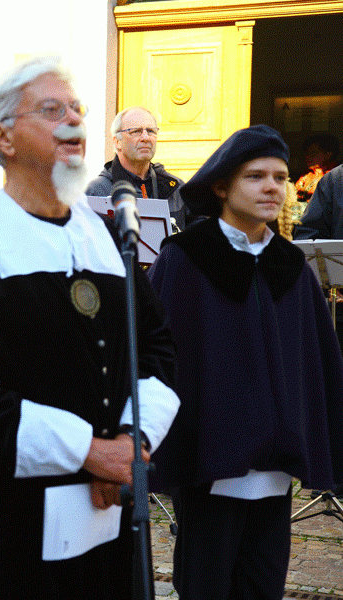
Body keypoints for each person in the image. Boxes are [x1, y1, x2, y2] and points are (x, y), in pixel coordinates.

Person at [0, 55, 180, 598]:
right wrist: (91, 451)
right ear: (4, 137)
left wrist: (132, 441)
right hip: (9, 521)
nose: (73, 122)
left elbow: (156, 347)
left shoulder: (107, 237)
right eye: (51, 109)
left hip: (107, 509)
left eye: (77, 110)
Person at [148, 125, 343, 600]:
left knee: (262, 586)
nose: (273, 187)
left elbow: (318, 364)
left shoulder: (290, 267)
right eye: (256, 176)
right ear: (221, 186)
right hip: (209, 465)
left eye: (280, 176)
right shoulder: (186, 260)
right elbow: (155, 359)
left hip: (276, 472)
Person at [85, 106, 187, 229]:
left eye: (151, 131)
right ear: (117, 141)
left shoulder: (175, 189)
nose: (145, 138)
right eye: (136, 131)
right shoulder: (97, 192)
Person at [294, 133, 339, 204]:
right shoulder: (308, 174)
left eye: (313, 153)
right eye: (307, 153)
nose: (307, 156)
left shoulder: (335, 176)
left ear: (328, 155)